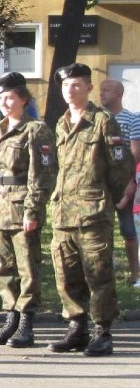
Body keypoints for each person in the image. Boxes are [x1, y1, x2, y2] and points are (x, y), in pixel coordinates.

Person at [49, 63, 131, 356]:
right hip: (63, 213)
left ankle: (102, 331)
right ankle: (77, 327)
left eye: (75, 85)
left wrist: (107, 197)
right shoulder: (60, 123)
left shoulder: (102, 121)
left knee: (98, 273)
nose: (69, 91)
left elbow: (120, 167)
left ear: (88, 88)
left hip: (94, 212)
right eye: (65, 86)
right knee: (66, 274)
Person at [0, 73, 54, 348]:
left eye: (10, 98)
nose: (5, 103)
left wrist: (32, 211)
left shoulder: (35, 130)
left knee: (27, 267)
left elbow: (41, 175)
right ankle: (10, 317)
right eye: (1, 99)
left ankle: (26, 322)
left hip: (21, 207)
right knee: (3, 267)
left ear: (23, 99)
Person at [98, 79, 140, 287]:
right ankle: (106, 273)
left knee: (128, 230)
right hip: (100, 185)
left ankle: (135, 274)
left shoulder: (132, 119)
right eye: (100, 90)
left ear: (119, 94)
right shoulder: (96, 120)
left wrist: (131, 181)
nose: (101, 93)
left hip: (124, 184)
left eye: (107, 90)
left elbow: (135, 153)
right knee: (101, 230)